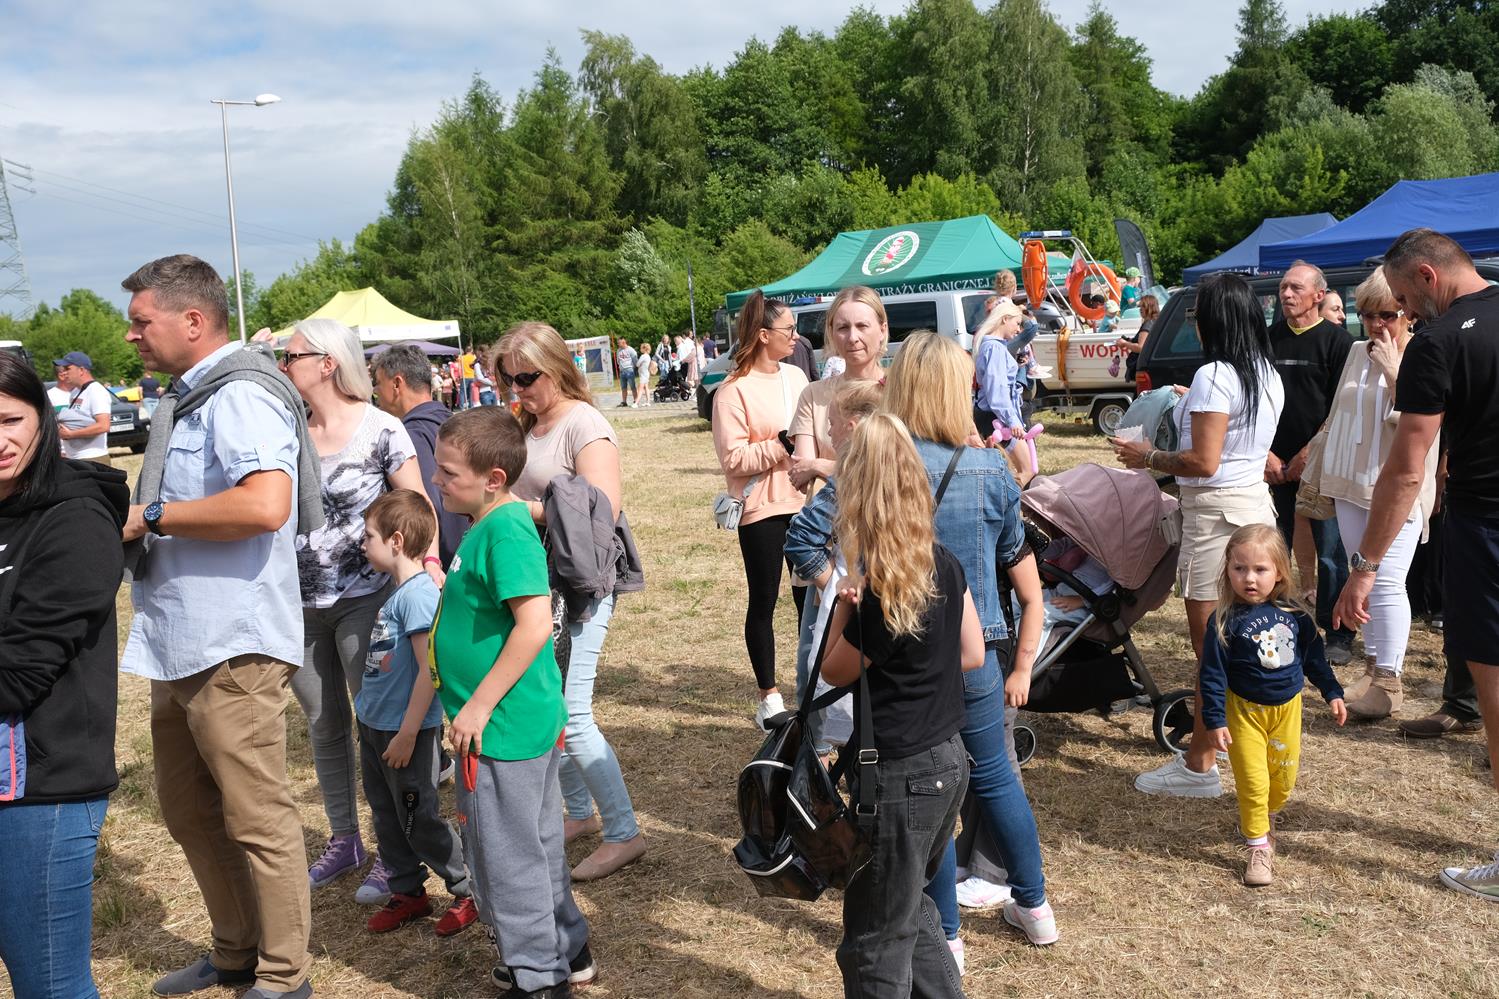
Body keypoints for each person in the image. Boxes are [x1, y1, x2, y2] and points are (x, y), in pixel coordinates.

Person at [119, 254, 318, 999]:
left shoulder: (239, 395)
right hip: (181, 640)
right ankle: (236, 951)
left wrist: (153, 515)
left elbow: (266, 504)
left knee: (256, 817)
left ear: (193, 320)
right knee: (190, 811)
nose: (132, 335)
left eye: (142, 321)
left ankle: (284, 975)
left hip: (233, 645)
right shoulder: (196, 397)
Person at [1332, 228, 1499, 900]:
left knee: (1494, 692)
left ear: (1428, 275)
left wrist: (1364, 565)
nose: (1402, 311)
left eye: (1402, 297)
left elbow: (1405, 469)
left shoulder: (1438, 340)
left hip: (1485, 526)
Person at [884, 331, 1059, 950]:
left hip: (906, 651)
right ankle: (1035, 906)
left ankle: (948, 938)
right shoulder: (990, 469)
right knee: (995, 778)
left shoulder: (882, 464)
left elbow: (809, 539)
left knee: (928, 792)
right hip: (979, 648)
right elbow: (1021, 570)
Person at [429, 407, 595, 997]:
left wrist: (477, 706)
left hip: (500, 728)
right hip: (516, 723)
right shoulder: (489, 523)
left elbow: (533, 625)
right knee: (536, 844)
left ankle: (538, 977)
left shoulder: (502, 530)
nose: (436, 480)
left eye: (448, 473)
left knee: (507, 857)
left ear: (493, 479)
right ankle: (565, 949)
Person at [818, 410, 984, 996]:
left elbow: (833, 670)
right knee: (907, 910)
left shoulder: (883, 587)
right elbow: (972, 653)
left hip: (900, 774)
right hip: (947, 759)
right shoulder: (943, 562)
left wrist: (844, 605)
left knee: (873, 943)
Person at [278, 318, 441, 904]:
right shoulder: (285, 428)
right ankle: (345, 840)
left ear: (327, 363)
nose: (282, 365)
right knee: (323, 723)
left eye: (291, 356)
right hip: (297, 602)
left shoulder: (381, 429)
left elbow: (417, 505)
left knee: (377, 724)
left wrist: (428, 566)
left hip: (366, 599)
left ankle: (393, 853)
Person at [1113, 271, 1284, 799]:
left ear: (1213, 319)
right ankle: (1234, 745)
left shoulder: (1215, 374)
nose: (1193, 322)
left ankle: (1200, 766)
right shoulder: (1266, 372)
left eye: (1195, 313)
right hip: (1253, 510)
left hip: (1215, 518)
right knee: (1248, 642)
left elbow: (1203, 462)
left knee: (1212, 648)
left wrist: (1148, 456)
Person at [492, 322, 646, 883]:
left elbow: (602, 511)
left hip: (581, 585)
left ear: (556, 367)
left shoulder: (585, 425)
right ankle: (579, 813)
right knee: (550, 701)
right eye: (508, 380)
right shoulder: (529, 423)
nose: (517, 390)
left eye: (526, 378)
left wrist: (516, 508)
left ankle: (624, 832)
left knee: (573, 712)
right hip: (539, 581)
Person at [0, 353, 127, 999]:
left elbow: (20, 674)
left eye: (9, 420)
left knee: (49, 984)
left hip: (40, 790)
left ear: (42, 420)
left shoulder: (75, 518)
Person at [1316, 268, 1440, 720]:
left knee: (1384, 581)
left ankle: (1389, 680)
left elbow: (1418, 424)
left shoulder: (1422, 353)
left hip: (1398, 487)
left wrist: (1393, 373)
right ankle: (1372, 669)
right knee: (1360, 577)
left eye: (1386, 314)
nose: (1375, 325)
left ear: (1408, 313)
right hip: (1351, 482)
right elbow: (1339, 413)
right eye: (1366, 314)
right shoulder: (1356, 351)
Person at [354, 489, 475, 936]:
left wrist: (408, 733)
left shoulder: (419, 596)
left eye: (369, 536)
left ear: (397, 541)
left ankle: (468, 889)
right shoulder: (399, 592)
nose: (362, 544)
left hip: (404, 733)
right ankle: (408, 892)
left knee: (417, 817)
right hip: (375, 728)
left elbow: (429, 670)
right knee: (387, 815)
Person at [1200, 525, 1346, 886]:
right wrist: (1214, 719)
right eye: (1239, 568)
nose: (1249, 578)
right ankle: (1258, 845)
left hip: (1287, 711)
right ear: (1227, 570)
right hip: (1243, 712)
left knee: (1281, 781)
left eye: (1260, 569)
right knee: (1253, 781)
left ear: (1279, 571)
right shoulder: (1222, 621)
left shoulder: (1296, 616)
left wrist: (1332, 692)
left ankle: (1265, 817)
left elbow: (1314, 659)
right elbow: (1212, 675)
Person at [713, 291, 811, 729]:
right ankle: (768, 696)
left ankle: (813, 683)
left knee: (811, 599)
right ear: (764, 334)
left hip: (807, 503)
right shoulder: (733, 391)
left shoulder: (797, 376)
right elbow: (733, 460)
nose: (797, 336)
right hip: (762, 508)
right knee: (765, 598)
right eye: (789, 329)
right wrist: (781, 444)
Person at [1265, 261, 1355, 664]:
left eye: (1295, 288)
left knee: (1331, 551)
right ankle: (1279, 622)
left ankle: (1337, 632)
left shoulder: (1338, 343)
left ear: (1319, 295)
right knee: (1275, 547)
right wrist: (1268, 454)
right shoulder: (1268, 340)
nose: (1286, 294)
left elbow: (1340, 409)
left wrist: (1308, 454)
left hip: (1324, 463)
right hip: (1274, 465)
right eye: (1283, 287)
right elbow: (1254, 400)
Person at [370, 344, 468, 569]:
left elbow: (423, 505)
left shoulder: (410, 435)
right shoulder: (452, 422)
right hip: (462, 554)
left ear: (397, 384)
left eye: (378, 383)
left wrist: (429, 561)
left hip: (437, 565)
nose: (376, 391)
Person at [789, 285, 889, 492]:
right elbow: (801, 478)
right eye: (843, 328)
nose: (852, 337)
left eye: (862, 326)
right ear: (832, 333)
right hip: (828, 511)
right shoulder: (813, 395)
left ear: (882, 330)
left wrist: (819, 465)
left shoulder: (902, 389)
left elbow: (905, 470)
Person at [973, 301, 1027, 441]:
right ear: (1005, 319)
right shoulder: (995, 348)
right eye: (1017, 323)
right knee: (1026, 456)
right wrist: (1012, 421)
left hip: (995, 416)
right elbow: (997, 390)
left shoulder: (991, 346)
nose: (1019, 329)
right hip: (997, 419)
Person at [53, 351, 114, 466]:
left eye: (67, 368)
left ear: (81, 370)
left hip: (93, 458)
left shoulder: (96, 391)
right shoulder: (75, 392)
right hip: (75, 458)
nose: (64, 372)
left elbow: (103, 426)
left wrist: (71, 435)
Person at [1115, 293, 1159, 384]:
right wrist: (1130, 340)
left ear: (1149, 307)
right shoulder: (1156, 321)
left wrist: (1125, 343)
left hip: (1143, 366)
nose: (1140, 309)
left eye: (1143, 306)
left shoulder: (1148, 324)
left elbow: (1141, 347)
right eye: (1140, 306)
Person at [616, 339, 638, 408]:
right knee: (623, 387)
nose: (618, 344)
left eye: (619, 343)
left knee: (632, 386)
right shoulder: (618, 350)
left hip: (629, 370)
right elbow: (618, 360)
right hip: (622, 371)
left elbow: (635, 360)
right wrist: (621, 367)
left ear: (624, 342)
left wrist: (633, 367)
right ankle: (624, 402)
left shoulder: (631, 350)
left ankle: (635, 401)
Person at [633, 341, 652, 407]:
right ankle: (648, 402)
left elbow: (637, 364)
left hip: (643, 375)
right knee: (646, 387)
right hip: (646, 374)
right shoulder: (648, 356)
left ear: (644, 349)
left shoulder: (643, 356)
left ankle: (636, 403)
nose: (640, 349)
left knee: (640, 389)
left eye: (641, 348)